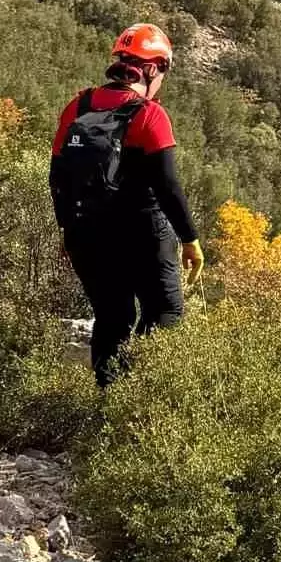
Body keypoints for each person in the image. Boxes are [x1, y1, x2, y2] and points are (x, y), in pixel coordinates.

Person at [50, 24, 204, 386]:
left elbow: (57, 178)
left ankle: (108, 405)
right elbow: (167, 186)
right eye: (164, 70)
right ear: (152, 69)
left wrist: (67, 231)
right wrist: (190, 239)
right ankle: (145, 405)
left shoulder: (78, 106)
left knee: (112, 316)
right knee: (164, 313)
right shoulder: (150, 115)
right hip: (143, 233)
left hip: (85, 234)